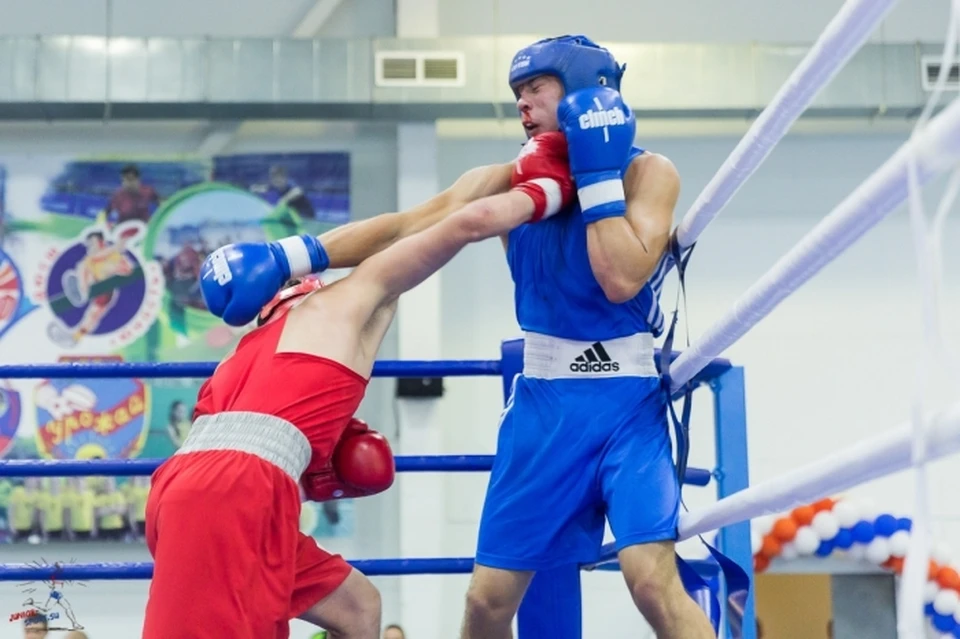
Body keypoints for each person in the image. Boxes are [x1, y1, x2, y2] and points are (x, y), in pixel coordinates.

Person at [202, 35, 714, 639]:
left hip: (628, 402)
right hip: (546, 408)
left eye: (536, 89)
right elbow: (406, 226)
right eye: (518, 92)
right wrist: (289, 254)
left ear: (585, 90)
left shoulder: (646, 172)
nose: (522, 104)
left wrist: (597, 172)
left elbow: (622, 276)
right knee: (485, 605)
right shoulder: (504, 178)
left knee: (651, 582)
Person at [149, 132, 576, 639]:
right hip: (236, 493)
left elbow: (420, 219)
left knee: (358, 607)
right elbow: (457, 223)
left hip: (188, 489)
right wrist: (547, 186)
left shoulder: (240, 356)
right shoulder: (336, 306)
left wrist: (521, 165)